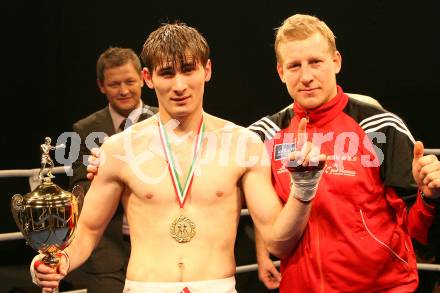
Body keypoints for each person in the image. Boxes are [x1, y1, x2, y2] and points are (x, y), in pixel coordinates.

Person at [31, 23, 327, 293]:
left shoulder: (243, 144)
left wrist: (303, 188)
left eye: (188, 69)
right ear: (148, 77)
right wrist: (57, 262)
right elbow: (89, 231)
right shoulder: (119, 149)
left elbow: (277, 240)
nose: (180, 85)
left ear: (207, 70)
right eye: (167, 73)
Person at [248, 14, 440, 292]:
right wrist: (261, 246)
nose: (306, 76)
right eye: (294, 66)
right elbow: (260, 211)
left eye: (316, 62)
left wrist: (430, 197)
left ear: (336, 61)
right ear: (281, 72)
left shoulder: (379, 126)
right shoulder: (263, 135)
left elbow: (417, 232)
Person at [64, 47, 158, 293]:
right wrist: (103, 176)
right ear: (101, 86)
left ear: (143, 78)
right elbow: (78, 186)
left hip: (159, 246)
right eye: (115, 84)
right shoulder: (84, 128)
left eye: (129, 81)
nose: (124, 90)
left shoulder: (166, 122)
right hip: (106, 249)